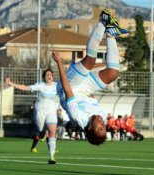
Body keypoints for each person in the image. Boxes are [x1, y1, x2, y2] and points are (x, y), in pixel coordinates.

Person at [52, 9, 128, 146]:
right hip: (85, 90)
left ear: (90, 128)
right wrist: (90, 94)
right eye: (104, 128)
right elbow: (91, 99)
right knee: (113, 73)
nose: (102, 124)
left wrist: (59, 63)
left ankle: (102, 22)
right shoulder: (102, 117)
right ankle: (111, 34)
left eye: (99, 128)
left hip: (68, 87)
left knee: (90, 61)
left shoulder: (78, 117)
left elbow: (67, 89)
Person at [6, 69, 59, 164]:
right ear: (44, 77)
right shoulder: (40, 86)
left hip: (51, 111)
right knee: (42, 132)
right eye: (47, 75)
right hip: (40, 111)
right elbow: (25, 87)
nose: (49, 76)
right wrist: (11, 84)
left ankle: (52, 157)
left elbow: (68, 88)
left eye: (50, 74)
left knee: (52, 131)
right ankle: (40, 136)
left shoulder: (56, 86)